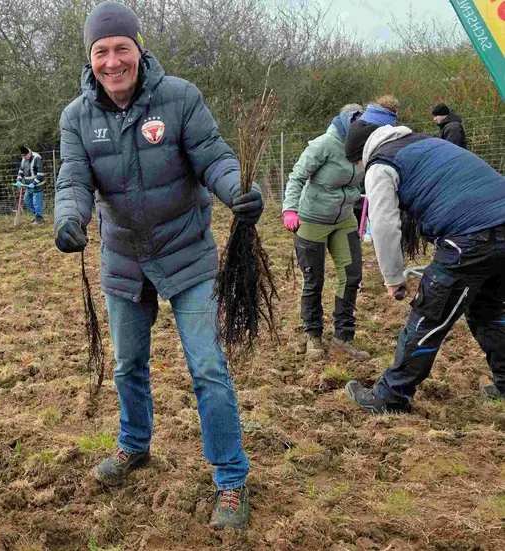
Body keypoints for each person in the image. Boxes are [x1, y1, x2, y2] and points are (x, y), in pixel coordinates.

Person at [53, 1, 263, 531]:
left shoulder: (180, 98)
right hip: (124, 259)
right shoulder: (77, 117)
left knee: (208, 367)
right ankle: (133, 445)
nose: (112, 60)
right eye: (101, 51)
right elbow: (74, 181)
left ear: (138, 48)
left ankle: (231, 478)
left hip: (187, 254)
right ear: (90, 58)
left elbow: (213, 155)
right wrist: (70, 218)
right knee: (128, 365)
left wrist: (237, 188)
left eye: (121, 47)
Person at [342, 120, 505, 414]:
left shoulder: (380, 164)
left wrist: (393, 277)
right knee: (489, 310)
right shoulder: (424, 142)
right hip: (498, 225)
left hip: (470, 239)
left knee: (429, 315)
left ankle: (390, 398)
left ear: (360, 155)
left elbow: (383, 224)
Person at [282, 104, 369, 360]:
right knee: (314, 280)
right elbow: (297, 177)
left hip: (344, 218)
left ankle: (343, 337)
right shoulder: (324, 145)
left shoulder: (364, 145)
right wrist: (290, 209)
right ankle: (313, 336)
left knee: (351, 276)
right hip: (312, 219)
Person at [17, 145, 46, 224]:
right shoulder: (23, 159)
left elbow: (41, 173)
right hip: (28, 185)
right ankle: (37, 215)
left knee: (36, 202)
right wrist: (19, 180)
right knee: (27, 201)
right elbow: (21, 171)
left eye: (26, 156)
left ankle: (38, 218)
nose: (25, 158)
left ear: (29, 153)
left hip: (37, 184)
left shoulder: (37, 158)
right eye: (24, 156)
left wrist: (34, 183)